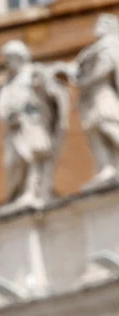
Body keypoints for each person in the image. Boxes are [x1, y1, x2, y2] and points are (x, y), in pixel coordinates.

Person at [0, 40, 70, 209]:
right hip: (14, 127)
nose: (6, 62)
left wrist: (42, 86)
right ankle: (19, 193)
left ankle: (32, 192)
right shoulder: (8, 83)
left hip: (33, 123)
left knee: (32, 156)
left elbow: (51, 91)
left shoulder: (35, 72)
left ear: (19, 57)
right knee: (12, 163)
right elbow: (1, 104)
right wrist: (7, 116)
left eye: (9, 58)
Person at [75, 14, 119, 188]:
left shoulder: (110, 44)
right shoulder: (94, 49)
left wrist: (86, 80)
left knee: (108, 125)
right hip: (90, 95)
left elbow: (107, 67)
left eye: (104, 23)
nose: (99, 25)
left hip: (102, 92)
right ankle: (106, 167)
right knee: (93, 129)